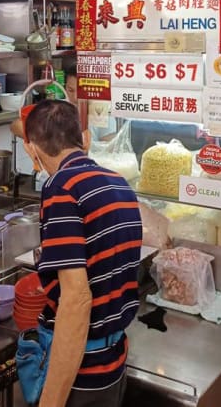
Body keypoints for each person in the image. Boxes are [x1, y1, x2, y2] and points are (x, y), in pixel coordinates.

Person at [21, 99, 143, 407]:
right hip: (114, 362)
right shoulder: (120, 184)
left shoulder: (60, 188)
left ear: (31, 149)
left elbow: (76, 300)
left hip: (82, 371)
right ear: (84, 138)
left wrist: (51, 402)